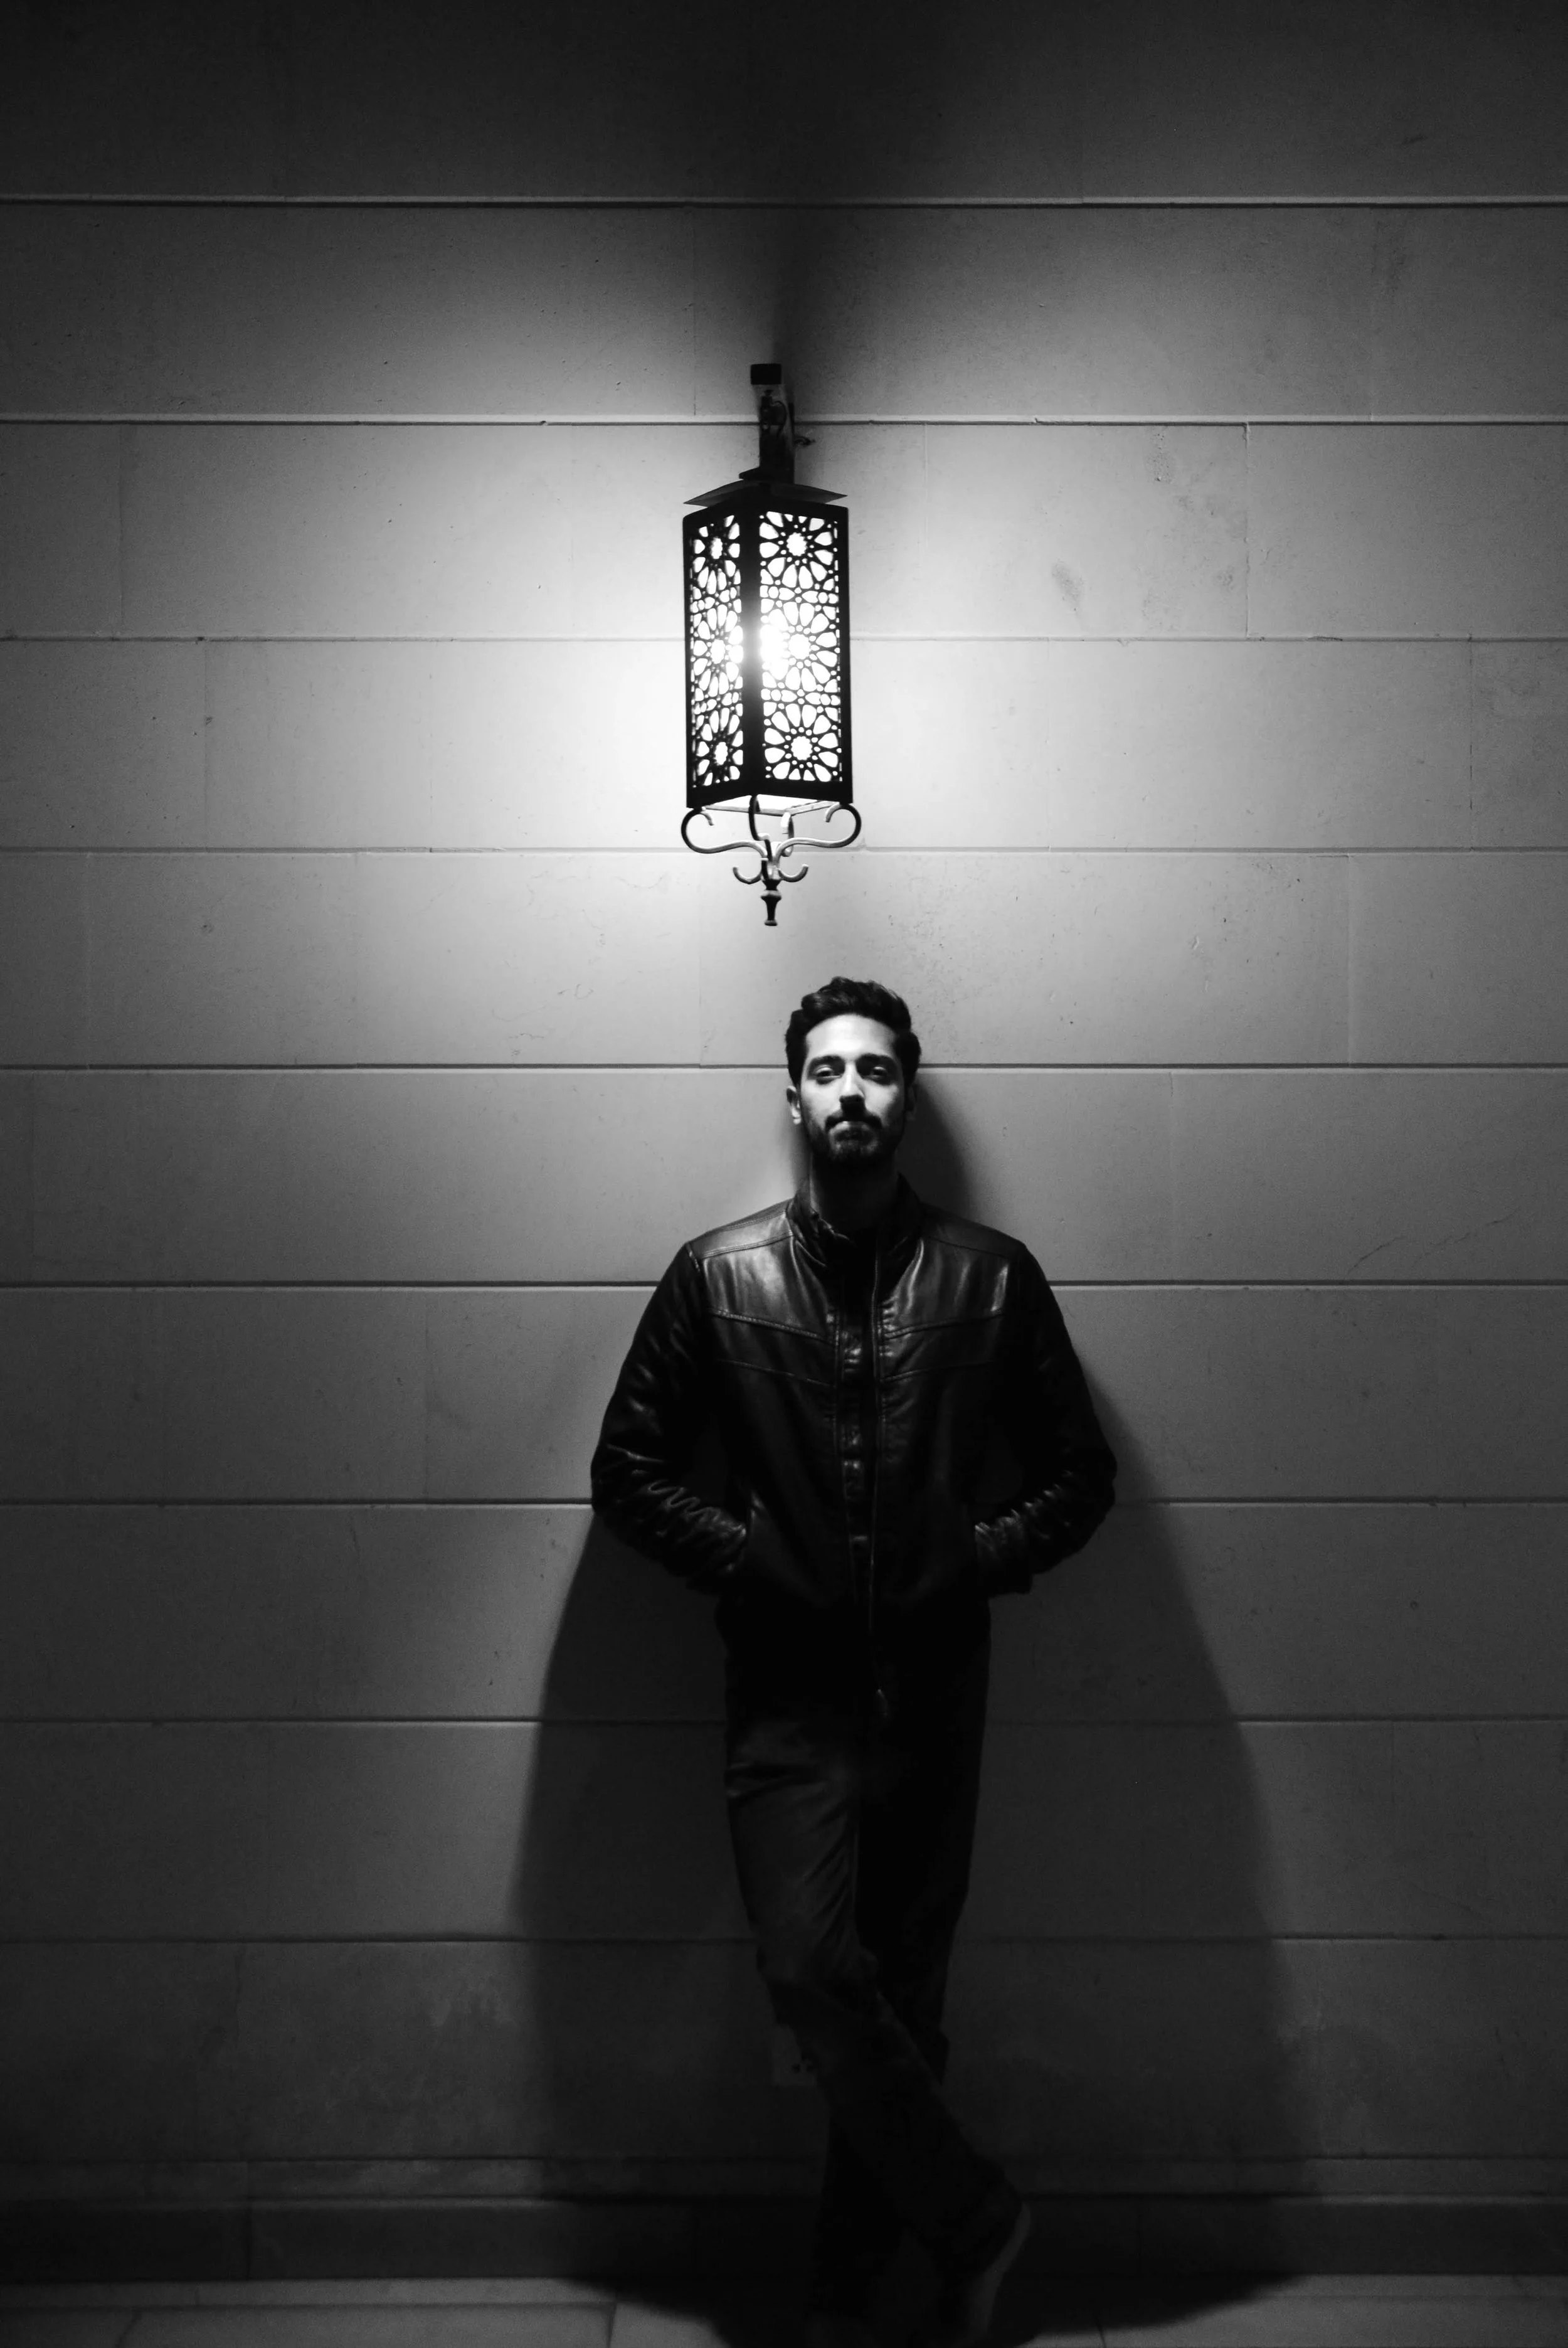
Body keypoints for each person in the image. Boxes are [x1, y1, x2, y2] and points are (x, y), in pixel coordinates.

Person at [590, 977, 1116, 2348]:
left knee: (903, 1996)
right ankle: (976, 2217)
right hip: (786, 1695)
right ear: (791, 1097)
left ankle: (849, 2293)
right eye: (826, 1070)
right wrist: (748, 1555)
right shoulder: (720, 1274)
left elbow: (1078, 1474)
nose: (850, 1094)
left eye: (876, 1072)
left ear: (905, 1094)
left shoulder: (989, 1278)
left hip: (937, 1691)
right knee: (813, 1969)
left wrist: (974, 1552)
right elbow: (626, 1471)